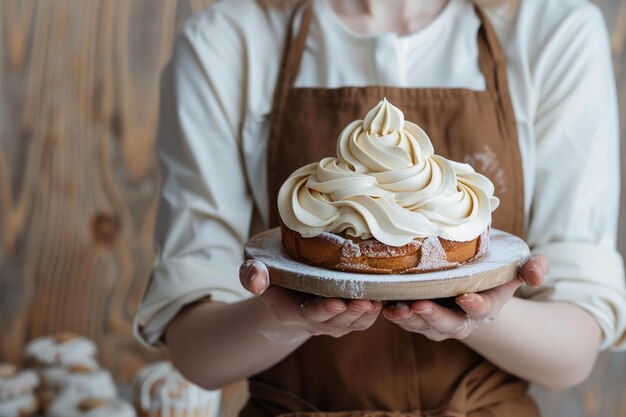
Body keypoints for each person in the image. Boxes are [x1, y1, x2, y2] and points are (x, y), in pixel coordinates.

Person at [133, 0, 626, 415]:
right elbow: (196, 355)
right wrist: (285, 318)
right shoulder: (227, 39)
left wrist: (484, 315)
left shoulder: (552, 30)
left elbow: (573, 357)